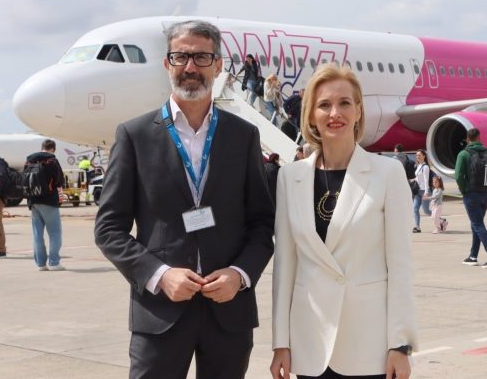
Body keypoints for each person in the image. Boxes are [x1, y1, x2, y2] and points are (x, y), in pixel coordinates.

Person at [94, 20, 275, 379]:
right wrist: (159, 275)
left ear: (218, 66)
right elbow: (108, 229)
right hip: (160, 312)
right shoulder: (134, 136)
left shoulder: (244, 136)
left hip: (228, 312)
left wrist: (239, 275)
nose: (191, 66)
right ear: (167, 63)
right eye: (181, 57)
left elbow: (261, 224)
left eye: (202, 57)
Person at [271, 64, 417, 379]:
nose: (334, 113)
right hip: (310, 345)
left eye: (345, 103)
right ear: (311, 115)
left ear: (358, 111)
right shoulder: (290, 177)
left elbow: (400, 267)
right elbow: (285, 267)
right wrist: (280, 342)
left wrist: (400, 344)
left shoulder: (387, 174)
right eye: (324, 104)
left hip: (368, 346)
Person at [455, 128, 487, 269]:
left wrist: (464, 190)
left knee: (478, 224)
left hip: (471, 194)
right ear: (479, 137)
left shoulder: (464, 154)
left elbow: (458, 175)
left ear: (467, 139)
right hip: (486, 194)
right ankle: (473, 256)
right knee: (476, 223)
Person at [27, 139, 66, 271]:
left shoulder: (30, 160)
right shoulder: (52, 160)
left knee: (37, 234)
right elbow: (59, 180)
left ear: (42, 147)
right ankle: (54, 262)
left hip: (33, 201)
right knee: (54, 233)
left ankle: (41, 264)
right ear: (53, 149)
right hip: (49, 201)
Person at [412, 150, 432, 232]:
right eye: (417, 155)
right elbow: (417, 178)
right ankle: (417, 227)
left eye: (419, 155)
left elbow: (426, 180)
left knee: (426, 211)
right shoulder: (418, 166)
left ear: (424, 156)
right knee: (415, 209)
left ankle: (440, 220)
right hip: (417, 191)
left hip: (424, 191)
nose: (418, 157)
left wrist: (426, 193)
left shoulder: (425, 167)